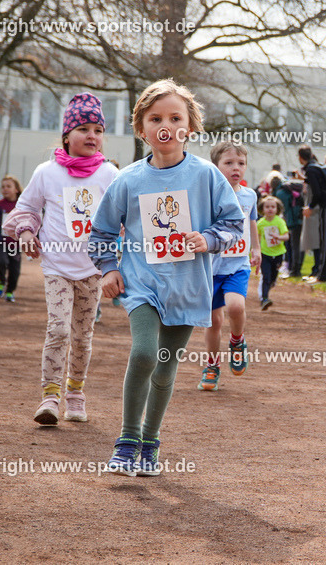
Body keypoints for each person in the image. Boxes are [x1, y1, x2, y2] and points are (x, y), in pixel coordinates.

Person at [89, 79, 245, 476]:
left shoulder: (206, 175)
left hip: (189, 286)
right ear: (141, 128)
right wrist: (108, 268)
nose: (165, 126)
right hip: (141, 282)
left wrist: (207, 239)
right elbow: (103, 231)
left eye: (175, 118)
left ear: (189, 127)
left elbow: (233, 225)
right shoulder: (127, 180)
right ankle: (126, 441)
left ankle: (149, 444)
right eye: (155, 118)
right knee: (143, 352)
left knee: (164, 367)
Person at [4, 93, 120, 424]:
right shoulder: (46, 172)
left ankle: (75, 393)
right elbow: (24, 208)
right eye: (83, 128)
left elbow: (123, 216)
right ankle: (50, 397)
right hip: (57, 267)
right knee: (58, 329)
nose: (92, 136)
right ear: (67, 135)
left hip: (92, 271)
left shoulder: (109, 175)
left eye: (98, 129)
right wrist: (26, 232)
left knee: (82, 336)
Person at [199, 141, 260, 391]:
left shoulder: (250, 195)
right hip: (211, 268)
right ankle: (212, 365)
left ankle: (237, 341)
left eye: (241, 163)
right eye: (229, 163)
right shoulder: (207, 197)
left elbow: (252, 223)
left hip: (237, 264)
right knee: (213, 321)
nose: (236, 168)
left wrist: (256, 248)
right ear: (216, 167)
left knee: (236, 306)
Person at [299, 145, 326, 283]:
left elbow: (316, 193)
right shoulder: (317, 166)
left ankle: (324, 276)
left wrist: (310, 207)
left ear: (300, 158)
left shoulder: (311, 170)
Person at [0, 175, 23, 302]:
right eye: (3, 187)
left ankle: (10, 291)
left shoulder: (22, 204)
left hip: (16, 244)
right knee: (1, 262)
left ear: (16, 189)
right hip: (1, 242)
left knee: (14, 270)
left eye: (8, 186)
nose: (5, 189)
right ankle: (1, 280)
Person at [257, 194, 289, 309]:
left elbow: (286, 236)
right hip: (265, 254)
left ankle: (268, 286)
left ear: (277, 209)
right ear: (262, 209)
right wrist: (255, 250)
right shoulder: (260, 223)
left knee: (273, 278)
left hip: (278, 253)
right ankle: (264, 299)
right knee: (266, 276)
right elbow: (257, 238)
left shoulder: (279, 222)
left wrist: (278, 237)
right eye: (267, 207)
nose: (270, 209)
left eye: (273, 207)